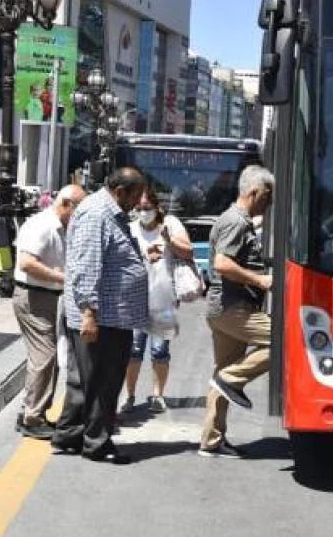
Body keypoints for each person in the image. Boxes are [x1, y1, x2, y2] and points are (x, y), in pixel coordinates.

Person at [56, 167, 154, 464]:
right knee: (103, 382)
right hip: (101, 317)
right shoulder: (98, 214)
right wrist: (89, 313)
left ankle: (70, 434)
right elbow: (86, 267)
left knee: (85, 379)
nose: (139, 202)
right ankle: (97, 443)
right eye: (136, 195)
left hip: (111, 316)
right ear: (120, 191)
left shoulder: (110, 213)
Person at [200, 165, 274, 459]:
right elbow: (221, 264)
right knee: (285, 340)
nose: (268, 204)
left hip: (226, 308)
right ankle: (231, 380)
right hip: (233, 308)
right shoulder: (236, 222)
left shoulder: (239, 221)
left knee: (222, 374)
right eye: (267, 197)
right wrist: (260, 280)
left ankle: (211, 440)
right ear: (254, 192)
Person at [12, 184, 85, 439]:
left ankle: (32, 412)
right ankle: (32, 418)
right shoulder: (41, 225)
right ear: (66, 204)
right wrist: (61, 278)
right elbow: (26, 262)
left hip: (48, 297)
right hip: (33, 296)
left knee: (47, 358)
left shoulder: (63, 227)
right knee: (45, 357)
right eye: (79, 209)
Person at [122, 186, 193, 415]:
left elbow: (189, 252)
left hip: (163, 299)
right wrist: (145, 256)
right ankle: (129, 395)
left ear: (157, 208)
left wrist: (168, 240)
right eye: (139, 208)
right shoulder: (130, 229)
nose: (143, 212)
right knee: (133, 351)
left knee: (160, 350)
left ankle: (158, 395)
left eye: (148, 208)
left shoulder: (170, 225)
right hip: (134, 300)